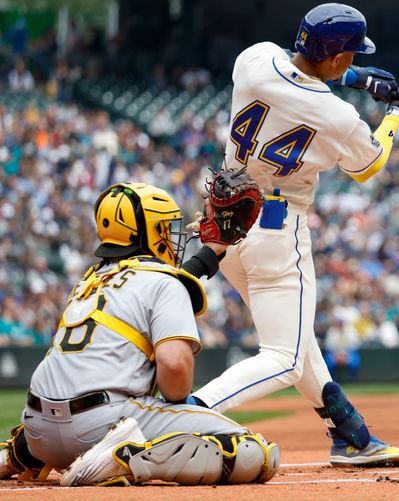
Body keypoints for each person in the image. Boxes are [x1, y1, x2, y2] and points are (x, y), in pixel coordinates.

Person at [188, 3, 399, 466]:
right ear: (336, 59)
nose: (353, 62)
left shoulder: (253, 60)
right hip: (276, 227)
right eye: (351, 56)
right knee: (285, 357)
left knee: (296, 341)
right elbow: (369, 164)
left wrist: (357, 77)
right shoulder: (337, 117)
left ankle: (352, 436)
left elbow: (299, 73)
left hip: (222, 223)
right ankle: (184, 414)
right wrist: (396, 113)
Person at [0, 183, 280, 486]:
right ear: (147, 233)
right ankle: (124, 458)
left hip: (39, 433)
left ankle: (15, 456)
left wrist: (212, 251)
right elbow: (174, 377)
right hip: (102, 424)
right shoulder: (164, 283)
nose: (170, 235)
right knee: (257, 453)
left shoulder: (88, 280)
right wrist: (182, 404)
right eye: (163, 226)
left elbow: (164, 281)